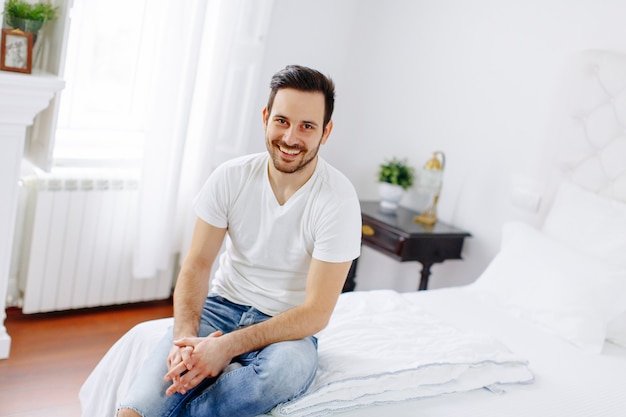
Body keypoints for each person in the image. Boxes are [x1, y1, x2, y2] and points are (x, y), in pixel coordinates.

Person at [117, 64, 362, 417]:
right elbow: (197, 265)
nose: (291, 137)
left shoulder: (338, 200)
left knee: (282, 375)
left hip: (288, 330)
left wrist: (226, 349)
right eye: (282, 121)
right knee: (139, 407)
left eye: (307, 126)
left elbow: (316, 312)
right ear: (265, 117)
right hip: (221, 307)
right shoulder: (230, 177)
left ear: (326, 132)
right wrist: (186, 339)